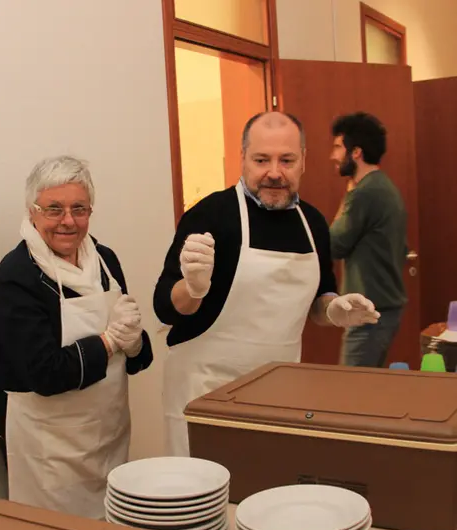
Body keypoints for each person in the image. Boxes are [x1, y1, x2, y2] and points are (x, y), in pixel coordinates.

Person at [154, 111, 379, 457]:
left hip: (278, 391)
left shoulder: (313, 223)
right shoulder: (211, 215)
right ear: (243, 158)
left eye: (286, 160)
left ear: (303, 160)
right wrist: (194, 288)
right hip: (204, 392)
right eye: (262, 159)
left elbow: (319, 299)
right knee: (203, 496)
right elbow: (166, 305)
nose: (274, 172)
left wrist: (334, 309)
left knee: (270, 491)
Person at [0, 155, 153, 518]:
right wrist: (110, 341)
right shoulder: (18, 276)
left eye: (79, 208)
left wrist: (136, 342)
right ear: (32, 212)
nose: (68, 221)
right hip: (46, 447)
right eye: (54, 209)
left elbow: (134, 352)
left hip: (106, 435)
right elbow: (43, 373)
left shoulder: (104, 261)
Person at [329, 112, 408, 368]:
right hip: (382, 309)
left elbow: (334, 244)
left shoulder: (365, 193)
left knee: (348, 396)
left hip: (369, 313)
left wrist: (347, 197)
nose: (333, 156)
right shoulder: (385, 187)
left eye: (338, 148)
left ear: (356, 153)